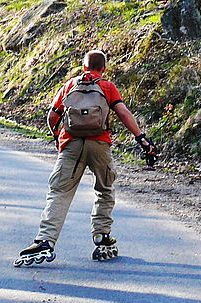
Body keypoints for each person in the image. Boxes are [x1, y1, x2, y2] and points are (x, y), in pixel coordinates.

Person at [14, 49, 158, 267]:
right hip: (99, 145)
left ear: (84, 67)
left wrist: (57, 137)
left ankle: (45, 240)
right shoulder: (107, 87)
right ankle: (101, 235)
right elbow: (123, 113)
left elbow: (52, 116)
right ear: (104, 68)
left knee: (60, 192)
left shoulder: (70, 86)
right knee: (104, 189)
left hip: (70, 144)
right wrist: (142, 139)